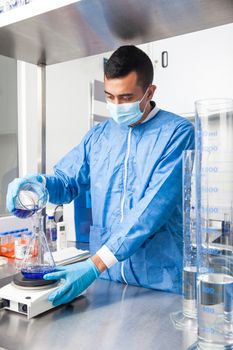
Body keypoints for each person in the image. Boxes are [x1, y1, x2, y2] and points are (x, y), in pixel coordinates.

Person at [7, 45, 194, 306]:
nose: (116, 106)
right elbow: (67, 180)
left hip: (160, 281)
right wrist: (40, 185)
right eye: (110, 96)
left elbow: (151, 210)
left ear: (149, 91)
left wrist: (94, 265)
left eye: (126, 98)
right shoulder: (99, 136)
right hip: (110, 280)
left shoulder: (178, 133)